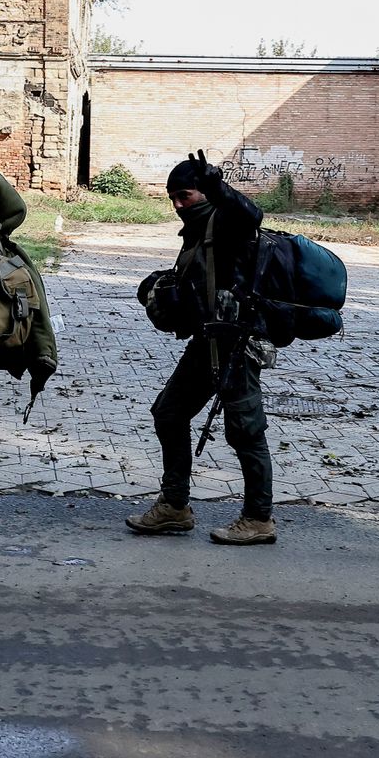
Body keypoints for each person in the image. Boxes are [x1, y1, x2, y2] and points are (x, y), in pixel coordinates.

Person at [127, 151, 276, 545]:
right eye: (172, 198)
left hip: (239, 344)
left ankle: (259, 519)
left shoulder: (227, 220)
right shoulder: (196, 229)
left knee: (245, 431)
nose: (178, 205)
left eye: (185, 196)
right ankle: (175, 507)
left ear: (204, 193)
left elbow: (252, 216)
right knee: (169, 412)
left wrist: (218, 188)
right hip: (207, 342)